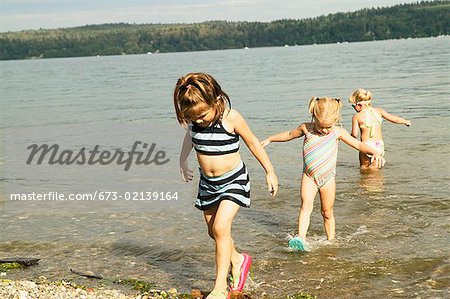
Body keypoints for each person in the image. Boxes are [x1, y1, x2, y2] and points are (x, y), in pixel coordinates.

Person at [174, 73, 278, 298]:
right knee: (214, 232)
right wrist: (182, 161)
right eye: (193, 117)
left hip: (234, 180)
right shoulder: (194, 121)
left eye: (202, 115)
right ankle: (239, 260)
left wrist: (269, 171)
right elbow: (189, 138)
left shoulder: (231, 118)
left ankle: (220, 287)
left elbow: (252, 142)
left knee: (221, 228)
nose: (199, 120)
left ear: (216, 100)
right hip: (208, 184)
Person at [261, 97, 385, 251]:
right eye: (321, 126)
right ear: (314, 117)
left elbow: (358, 144)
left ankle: (331, 241)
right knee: (305, 206)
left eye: (329, 126)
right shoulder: (306, 128)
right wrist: (270, 139)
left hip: (328, 179)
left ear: (336, 120)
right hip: (309, 176)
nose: (325, 130)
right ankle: (301, 238)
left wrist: (375, 152)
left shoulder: (337, 132)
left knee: (327, 212)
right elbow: (288, 135)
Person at [349, 88, 411, 169]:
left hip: (366, 146)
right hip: (379, 145)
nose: (353, 108)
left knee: (364, 167)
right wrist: (405, 121)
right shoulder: (379, 111)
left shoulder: (357, 116)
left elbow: (354, 134)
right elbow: (393, 118)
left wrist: (349, 137)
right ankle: (377, 181)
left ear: (359, 105)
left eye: (353, 105)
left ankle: (365, 181)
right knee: (375, 169)